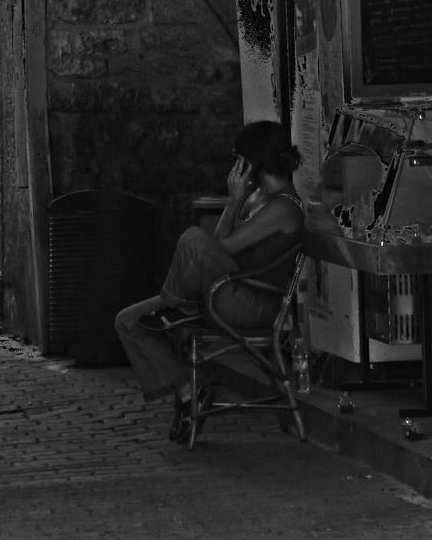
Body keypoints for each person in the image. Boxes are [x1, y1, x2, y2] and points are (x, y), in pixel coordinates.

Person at [114, 120, 305, 441]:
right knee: (128, 323)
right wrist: (236, 200)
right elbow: (220, 242)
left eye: (239, 158)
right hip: (222, 292)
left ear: (251, 162)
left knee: (192, 237)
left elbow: (218, 247)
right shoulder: (256, 197)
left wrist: (233, 201)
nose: (235, 166)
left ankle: (180, 307)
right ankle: (190, 392)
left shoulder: (284, 206)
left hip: (250, 305)